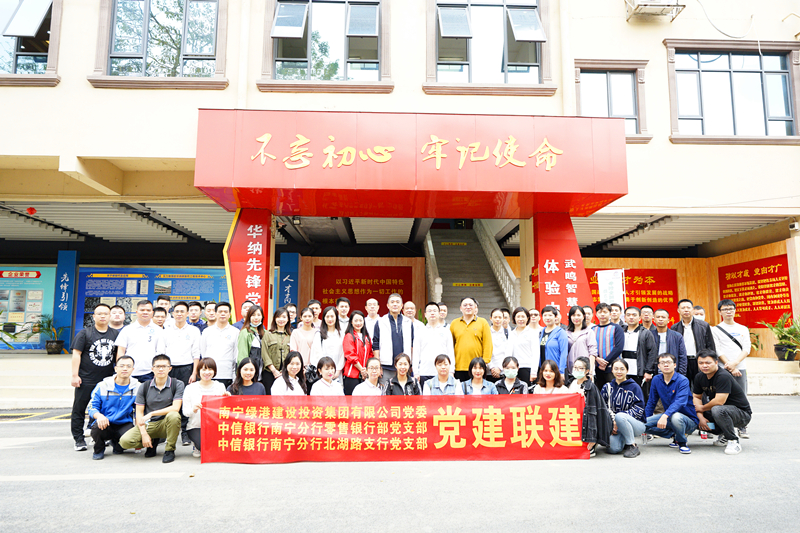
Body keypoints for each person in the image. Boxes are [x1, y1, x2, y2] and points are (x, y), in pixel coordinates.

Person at [70, 303, 119, 452]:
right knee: (79, 409)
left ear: (110, 316)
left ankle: (98, 435)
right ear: (94, 316)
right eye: (99, 314)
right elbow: (76, 354)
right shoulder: (84, 333)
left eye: (106, 313)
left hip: (107, 380)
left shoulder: (115, 334)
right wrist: (75, 375)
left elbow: (118, 356)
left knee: (104, 409)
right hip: (86, 379)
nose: (103, 316)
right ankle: (78, 439)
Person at [119, 355, 185, 463]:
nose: (160, 369)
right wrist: (144, 434)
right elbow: (139, 413)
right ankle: (152, 442)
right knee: (125, 442)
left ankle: (169, 450)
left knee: (174, 415)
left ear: (170, 368)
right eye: (157, 366)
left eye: (164, 366)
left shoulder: (177, 384)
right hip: (149, 424)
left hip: (166, 424)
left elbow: (176, 407)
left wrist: (151, 413)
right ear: (152, 369)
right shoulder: (144, 386)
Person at [692, 350, 752, 455]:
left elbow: (719, 401)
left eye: (708, 363)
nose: (704, 366)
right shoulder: (699, 377)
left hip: (741, 414)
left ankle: (733, 441)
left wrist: (702, 408)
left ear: (716, 362)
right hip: (720, 413)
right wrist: (700, 417)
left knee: (717, 409)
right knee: (689, 412)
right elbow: (697, 397)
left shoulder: (723, 376)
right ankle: (723, 433)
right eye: (701, 363)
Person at [162, 301, 201, 447]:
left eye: (182, 311)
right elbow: (162, 351)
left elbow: (196, 353)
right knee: (168, 398)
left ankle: (185, 432)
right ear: (172, 313)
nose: (179, 314)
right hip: (169, 368)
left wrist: (194, 372)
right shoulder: (165, 330)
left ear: (187, 314)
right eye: (176, 311)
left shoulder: (194, 331)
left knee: (185, 399)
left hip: (186, 368)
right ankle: (166, 432)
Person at [711, 299, 751, 439]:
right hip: (723, 369)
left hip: (740, 367)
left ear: (735, 310)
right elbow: (717, 349)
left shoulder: (742, 329)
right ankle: (724, 430)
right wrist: (729, 365)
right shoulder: (715, 330)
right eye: (725, 309)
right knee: (722, 398)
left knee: (741, 397)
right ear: (720, 312)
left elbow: (747, 348)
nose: (728, 311)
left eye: (731, 309)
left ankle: (742, 426)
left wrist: (735, 363)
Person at [86, 355, 139, 460]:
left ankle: (117, 444)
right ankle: (99, 449)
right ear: (116, 368)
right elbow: (92, 406)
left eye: (128, 366)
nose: (125, 369)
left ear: (133, 369)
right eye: (122, 366)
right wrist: (99, 416)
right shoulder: (102, 386)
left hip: (124, 423)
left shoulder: (138, 387)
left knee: (124, 445)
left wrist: (139, 430)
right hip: (105, 422)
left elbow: (139, 410)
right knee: (97, 428)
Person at [644, 353, 698, 454]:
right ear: (658, 366)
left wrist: (665, 415)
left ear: (674, 365)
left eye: (668, 362)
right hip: (669, 417)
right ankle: (675, 435)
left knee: (676, 417)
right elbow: (651, 402)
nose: (666, 365)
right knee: (642, 424)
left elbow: (680, 402)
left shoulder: (682, 380)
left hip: (688, 420)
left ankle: (681, 442)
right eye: (662, 363)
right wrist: (645, 419)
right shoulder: (656, 379)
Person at [182, 358, 227, 459]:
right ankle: (197, 446)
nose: (207, 372)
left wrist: (227, 399)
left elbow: (225, 411)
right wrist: (193, 409)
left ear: (214, 371)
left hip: (215, 426)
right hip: (196, 426)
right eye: (203, 369)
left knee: (218, 449)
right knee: (204, 446)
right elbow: (185, 412)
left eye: (210, 369)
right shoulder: (190, 388)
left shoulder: (220, 386)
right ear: (198, 371)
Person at [601, 359, 646, 458]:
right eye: (616, 369)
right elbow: (603, 407)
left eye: (622, 369)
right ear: (612, 370)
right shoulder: (607, 387)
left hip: (635, 424)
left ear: (627, 371)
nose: (619, 372)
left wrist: (618, 420)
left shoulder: (634, 387)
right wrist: (612, 423)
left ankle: (632, 445)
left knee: (620, 416)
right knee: (613, 449)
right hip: (614, 425)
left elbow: (639, 409)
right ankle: (625, 440)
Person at [568, 357, 609, 457]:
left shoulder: (590, 387)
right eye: (575, 367)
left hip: (585, 422)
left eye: (580, 368)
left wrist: (592, 438)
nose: (577, 370)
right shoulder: (571, 383)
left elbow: (592, 414)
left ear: (587, 371)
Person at [115, 300, 165, 383]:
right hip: (129, 372)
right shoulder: (127, 329)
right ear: (137, 312)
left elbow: (160, 353)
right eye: (142, 310)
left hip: (150, 373)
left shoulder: (159, 330)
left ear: (152, 313)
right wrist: (120, 369)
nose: (145, 312)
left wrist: (158, 370)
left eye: (148, 310)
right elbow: (121, 352)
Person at [671, 299, 716, 385]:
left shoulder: (703, 325)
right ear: (678, 310)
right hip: (683, 362)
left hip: (699, 360)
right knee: (683, 385)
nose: (686, 310)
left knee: (701, 385)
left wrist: (712, 360)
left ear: (692, 310)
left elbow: (710, 345)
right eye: (683, 308)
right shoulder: (674, 328)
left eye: (688, 307)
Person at [373, 293, 415, 383]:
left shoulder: (408, 322)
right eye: (392, 302)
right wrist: (377, 365)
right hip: (386, 366)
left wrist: (411, 364)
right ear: (388, 305)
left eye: (397, 302)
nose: (395, 304)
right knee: (386, 390)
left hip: (404, 366)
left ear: (401, 305)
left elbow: (412, 344)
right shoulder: (381, 322)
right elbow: (376, 345)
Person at [450, 297, 492, 382]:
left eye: (470, 305)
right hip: (459, 366)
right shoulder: (454, 323)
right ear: (460, 308)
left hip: (477, 367)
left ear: (475, 307)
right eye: (465, 305)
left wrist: (485, 362)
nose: (468, 307)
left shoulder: (483, 322)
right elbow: (450, 345)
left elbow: (488, 344)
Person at [415, 302, 455, 386]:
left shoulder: (446, 331)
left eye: (435, 311)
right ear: (425, 314)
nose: (432, 313)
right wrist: (416, 372)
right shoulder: (420, 331)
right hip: (424, 372)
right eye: (429, 311)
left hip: (442, 372)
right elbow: (416, 353)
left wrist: (451, 371)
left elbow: (450, 352)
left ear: (439, 313)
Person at [199, 302, 239, 388]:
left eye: (225, 312)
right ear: (216, 313)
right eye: (220, 311)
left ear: (229, 314)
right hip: (209, 374)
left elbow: (236, 354)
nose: (223, 314)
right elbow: (203, 351)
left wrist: (234, 375)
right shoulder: (207, 331)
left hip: (227, 374)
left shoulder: (235, 332)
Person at [620, 306, 658, 391]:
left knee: (640, 394)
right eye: (628, 315)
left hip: (639, 371)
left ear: (640, 317)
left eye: (634, 315)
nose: (631, 317)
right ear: (625, 317)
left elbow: (652, 353)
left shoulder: (646, 333)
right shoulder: (621, 331)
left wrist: (648, 371)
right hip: (622, 371)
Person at [594, 303, 624, 389]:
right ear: (596, 314)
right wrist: (597, 359)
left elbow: (619, 348)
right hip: (597, 366)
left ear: (610, 314)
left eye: (605, 312)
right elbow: (590, 348)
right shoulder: (593, 329)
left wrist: (605, 363)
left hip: (613, 367)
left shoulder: (617, 328)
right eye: (600, 312)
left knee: (615, 390)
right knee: (599, 391)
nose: (602, 314)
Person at [342, 310, 372, 395]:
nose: (358, 323)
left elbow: (370, 354)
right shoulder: (349, 336)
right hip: (352, 375)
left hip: (365, 375)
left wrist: (366, 370)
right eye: (355, 320)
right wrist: (362, 370)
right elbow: (350, 355)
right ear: (351, 322)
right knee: (352, 400)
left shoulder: (367, 337)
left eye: (360, 320)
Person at [262, 307, 291, 394]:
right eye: (278, 317)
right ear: (274, 319)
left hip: (286, 373)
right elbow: (264, 353)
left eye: (284, 317)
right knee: (269, 395)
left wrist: (284, 371)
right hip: (269, 373)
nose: (281, 319)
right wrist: (274, 370)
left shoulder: (291, 335)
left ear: (288, 319)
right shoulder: (267, 334)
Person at [566, 305, 598, 382]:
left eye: (578, 315)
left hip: (584, 370)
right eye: (573, 315)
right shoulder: (566, 332)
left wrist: (590, 371)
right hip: (571, 370)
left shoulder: (589, 332)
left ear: (583, 316)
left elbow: (592, 352)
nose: (576, 318)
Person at [651, 309, 688, 375]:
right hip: (654, 372)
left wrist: (681, 373)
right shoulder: (649, 335)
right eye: (658, 317)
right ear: (654, 320)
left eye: (663, 317)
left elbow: (682, 356)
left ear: (668, 320)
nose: (660, 319)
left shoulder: (677, 336)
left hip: (673, 372)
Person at [310, 306, 344, 376]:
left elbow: (343, 354)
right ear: (324, 318)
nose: (330, 319)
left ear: (336, 317)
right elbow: (316, 354)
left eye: (332, 316)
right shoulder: (319, 335)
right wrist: (324, 370)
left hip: (338, 373)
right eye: (327, 316)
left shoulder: (342, 334)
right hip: (323, 373)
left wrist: (338, 370)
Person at [508, 306, 539, 385]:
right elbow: (508, 352)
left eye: (523, 316)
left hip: (527, 368)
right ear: (514, 318)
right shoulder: (512, 333)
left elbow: (536, 354)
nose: (520, 319)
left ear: (527, 318)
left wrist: (534, 372)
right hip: (514, 369)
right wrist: (507, 367)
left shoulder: (532, 333)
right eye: (518, 316)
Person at [235, 305, 265, 381]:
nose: (256, 318)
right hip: (250, 374)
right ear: (249, 317)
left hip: (262, 374)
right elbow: (242, 355)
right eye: (253, 315)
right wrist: (245, 372)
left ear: (262, 317)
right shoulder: (245, 332)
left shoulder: (265, 333)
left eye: (259, 315)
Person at [539, 306, 569, 376]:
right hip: (544, 370)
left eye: (550, 315)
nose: (547, 318)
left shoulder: (561, 332)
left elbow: (564, 353)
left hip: (555, 370)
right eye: (545, 315)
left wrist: (561, 371)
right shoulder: (542, 331)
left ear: (555, 317)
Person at [488, 308, 508, 382]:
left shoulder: (507, 333)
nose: (497, 319)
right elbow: (485, 351)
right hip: (489, 371)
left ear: (503, 319)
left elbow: (508, 352)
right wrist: (492, 367)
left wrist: (500, 368)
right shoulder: (487, 332)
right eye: (495, 317)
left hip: (504, 371)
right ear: (491, 318)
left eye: (500, 317)